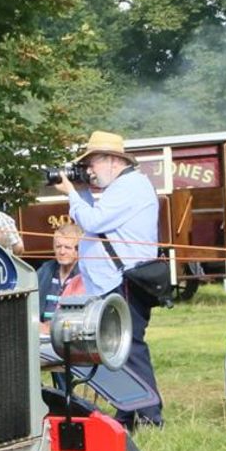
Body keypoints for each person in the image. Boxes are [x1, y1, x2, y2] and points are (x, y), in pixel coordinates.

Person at [54, 130, 164, 430]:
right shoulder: (123, 187)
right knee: (115, 349)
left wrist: (72, 194)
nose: (89, 170)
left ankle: (149, 415)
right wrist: (81, 190)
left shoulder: (130, 187)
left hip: (124, 279)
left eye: (93, 163)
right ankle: (129, 410)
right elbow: (93, 216)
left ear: (113, 161)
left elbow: (91, 222)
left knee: (129, 348)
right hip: (113, 281)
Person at [36, 222, 85, 334]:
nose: (62, 252)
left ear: (78, 250)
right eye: (58, 247)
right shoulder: (45, 270)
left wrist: (51, 328)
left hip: (70, 335)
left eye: (67, 247)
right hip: (41, 336)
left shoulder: (85, 275)